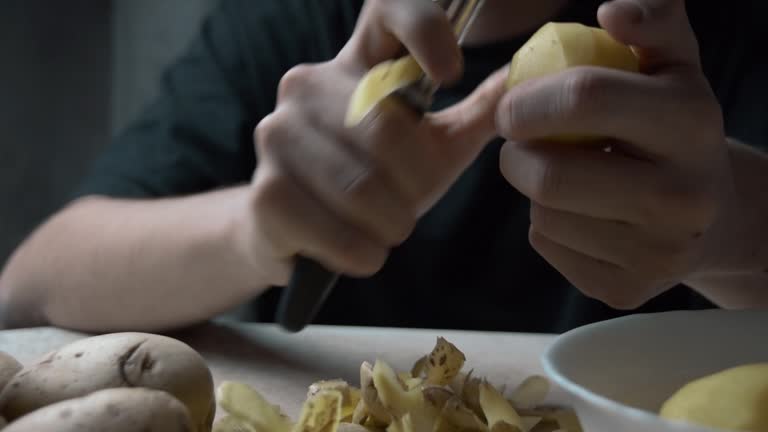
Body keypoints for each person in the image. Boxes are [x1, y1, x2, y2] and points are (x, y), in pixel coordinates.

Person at [1, 0, 767, 334]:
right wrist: (256, 230)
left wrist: (725, 223)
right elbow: (31, 288)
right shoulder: (298, 19)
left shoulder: (710, 30)